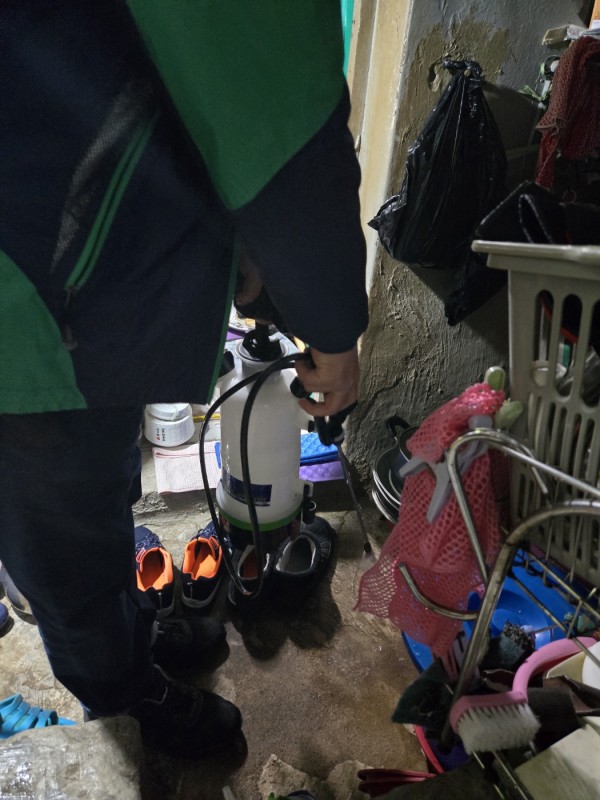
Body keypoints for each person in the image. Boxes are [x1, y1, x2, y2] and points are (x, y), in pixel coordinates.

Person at [0, 1, 368, 755]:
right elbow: (276, 120)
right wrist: (331, 323)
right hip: (29, 304)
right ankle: (125, 700)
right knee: (67, 555)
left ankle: (127, 632)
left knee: (94, 490)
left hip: (60, 267)